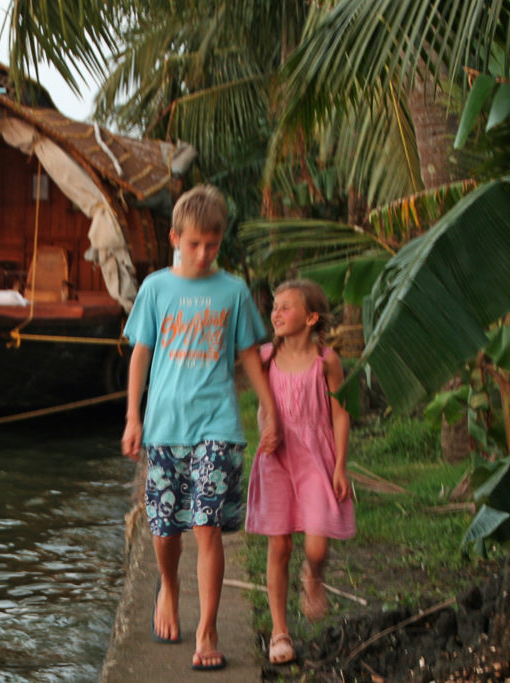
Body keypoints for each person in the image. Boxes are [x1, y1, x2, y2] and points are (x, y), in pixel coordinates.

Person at [121, 184, 280, 672]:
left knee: (208, 525)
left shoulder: (231, 291)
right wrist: (133, 415)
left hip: (218, 423)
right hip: (166, 426)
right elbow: (141, 354)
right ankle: (168, 588)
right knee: (166, 529)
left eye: (212, 244)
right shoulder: (155, 289)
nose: (204, 253)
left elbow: (249, 354)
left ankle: (208, 628)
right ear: (174, 237)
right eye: (194, 244)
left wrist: (269, 408)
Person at [245, 279, 356, 665]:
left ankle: (314, 575)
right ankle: (280, 632)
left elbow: (341, 413)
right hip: (276, 459)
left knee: (316, 546)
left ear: (310, 318)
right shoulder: (263, 357)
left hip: (315, 459)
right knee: (279, 545)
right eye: (274, 306)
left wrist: (340, 465)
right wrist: (265, 429)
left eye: (286, 307)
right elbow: (260, 402)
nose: (276, 312)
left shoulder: (327, 361)